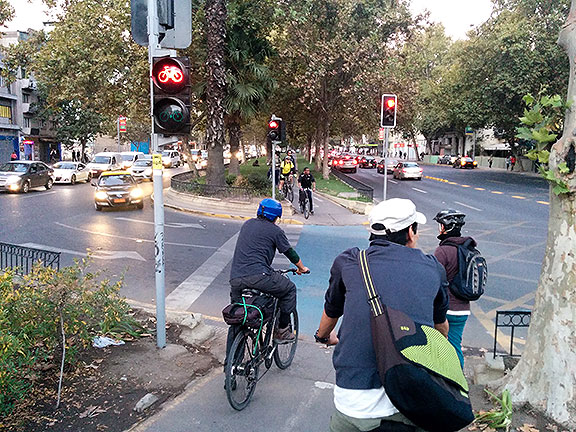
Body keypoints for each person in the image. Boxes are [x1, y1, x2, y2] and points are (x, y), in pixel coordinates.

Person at [315, 199, 449, 432]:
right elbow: (441, 328)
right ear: (410, 232)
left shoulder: (349, 262)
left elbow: (331, 312)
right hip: (402, 400)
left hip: (349, 402)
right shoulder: (432, 267)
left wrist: (323, 337)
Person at [228, 199, 309, 347]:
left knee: (237, 316)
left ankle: (230, 363)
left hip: (236, 278)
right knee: (289, 289)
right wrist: (302, 268)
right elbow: (289, 252)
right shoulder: (275, 231)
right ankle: (282, 330)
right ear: (276, 217)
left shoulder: (247, 224)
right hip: (259, 276)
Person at [433, 209, 476, 368]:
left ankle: (444, 379)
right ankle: (459, 379)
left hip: (446, 310)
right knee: (455, 344)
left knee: (438, 346)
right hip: (463, 309)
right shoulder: (469, 249)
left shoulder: (442, 251)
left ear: (445, 228)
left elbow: (434, 280)